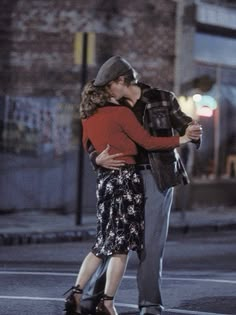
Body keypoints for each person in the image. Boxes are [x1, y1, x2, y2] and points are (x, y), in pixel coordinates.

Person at [77, 56, 202, 315]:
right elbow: (92, 140)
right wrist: (96, 158)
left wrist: (193, 129)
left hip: (158, 177)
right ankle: (93, 298)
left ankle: (150, 304)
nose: (103, 89)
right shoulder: (110, 104)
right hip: (123, 177)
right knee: (112, 239)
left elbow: (183, 122)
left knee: (151, 244)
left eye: (107, 84)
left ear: (120, 80)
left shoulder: (162, 98)